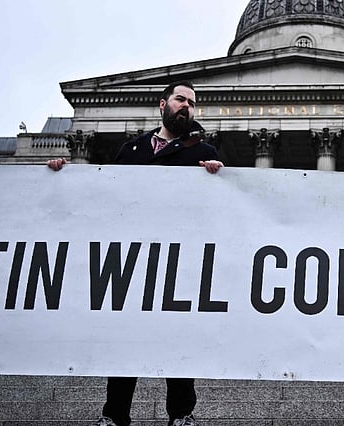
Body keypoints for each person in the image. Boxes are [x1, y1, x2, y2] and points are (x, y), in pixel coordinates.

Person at [49, 80, 224, 426]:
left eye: (191, 102)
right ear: (163, 105)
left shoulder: (204, 152)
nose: (186, 106)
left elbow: (220, 210)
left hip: (179, 259)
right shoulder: (131, 150)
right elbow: (105, 193)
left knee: (177, 336)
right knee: (125, 335)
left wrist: (218, 177)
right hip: (132, 258)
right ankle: (114, 415)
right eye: (180, 99)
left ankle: (181, 414)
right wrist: (64, 176)